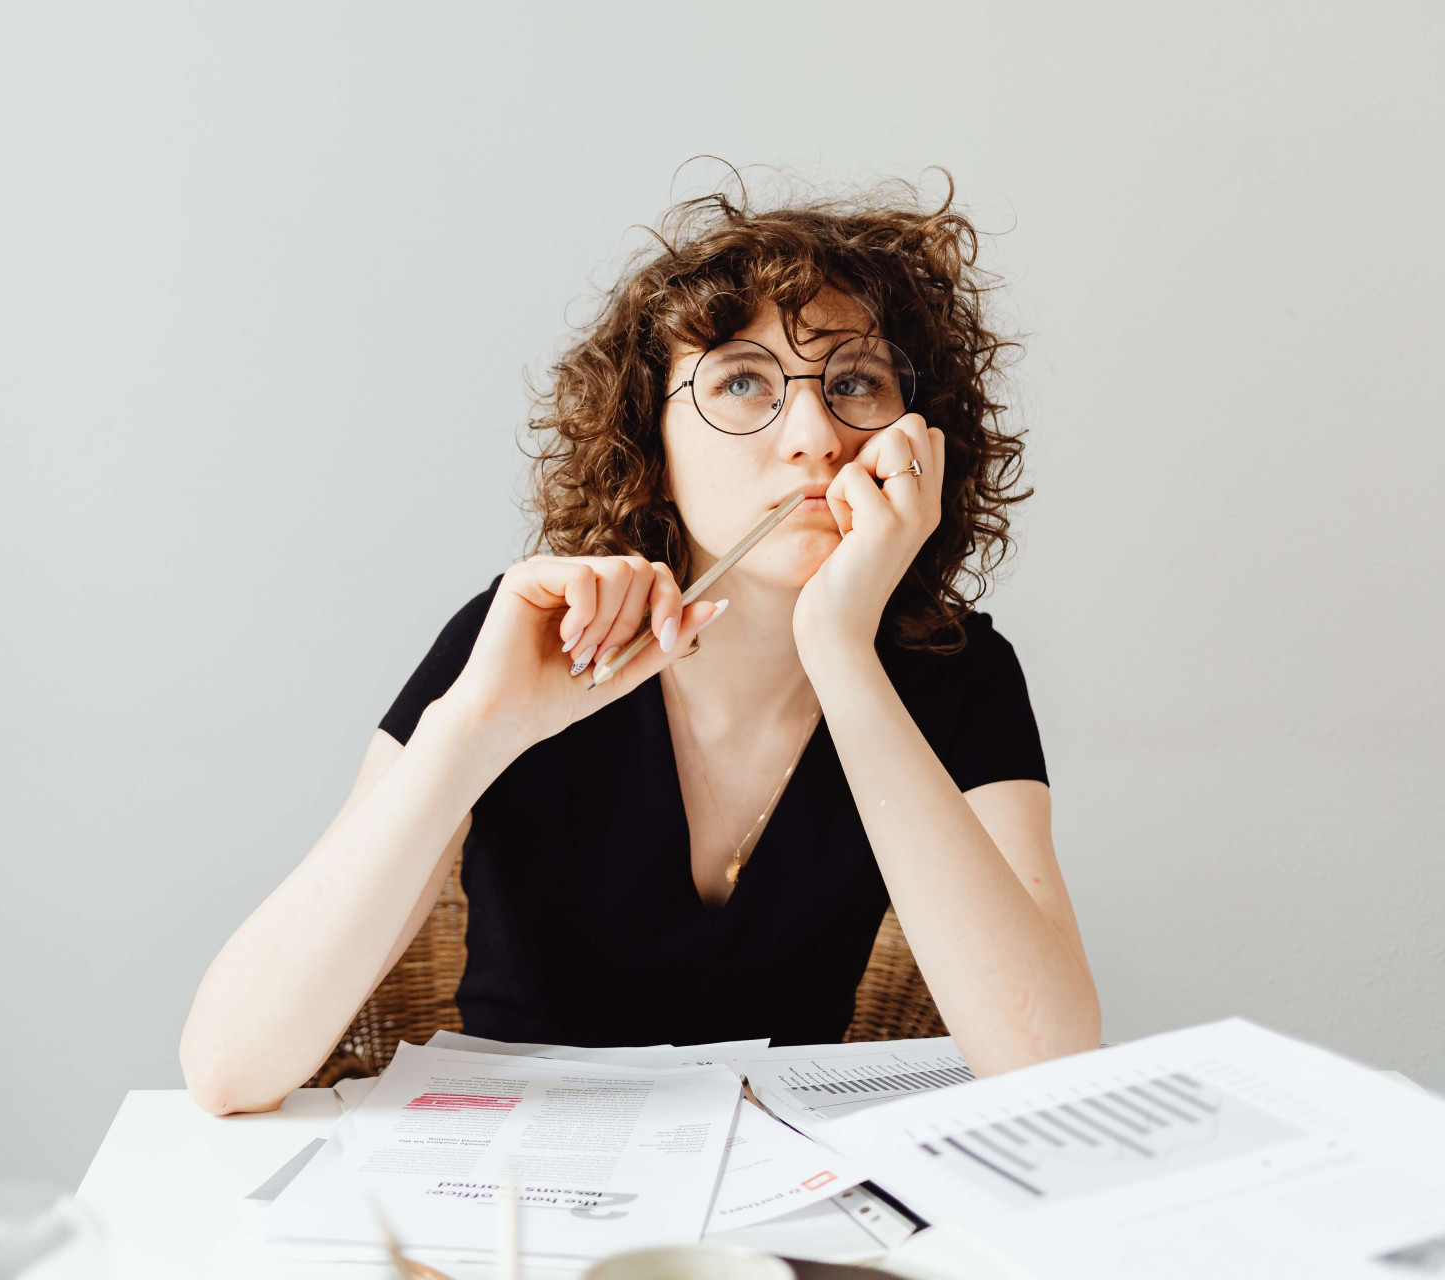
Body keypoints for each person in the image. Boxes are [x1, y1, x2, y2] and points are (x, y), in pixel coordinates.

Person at [180, 177, 1101, 1115]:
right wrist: (479, 727)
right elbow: (228, 1069)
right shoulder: (529, 638)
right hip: (509, 1206)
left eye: (855, 381)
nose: (815, 436)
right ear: (650, 447)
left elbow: (1048, 1062)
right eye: (743, 381)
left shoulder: (955, 668)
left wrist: (842, 652)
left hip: (782, 1220)